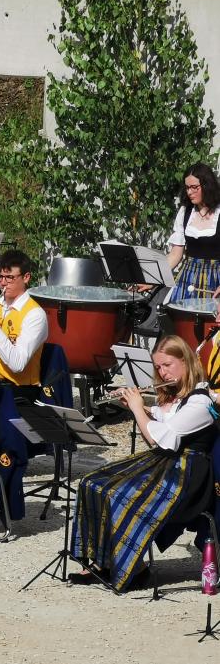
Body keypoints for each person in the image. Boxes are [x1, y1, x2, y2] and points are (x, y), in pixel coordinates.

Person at [69, 335, 217, 591]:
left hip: (188, 473)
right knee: (93, 483)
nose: (162, 372)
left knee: (120, 494)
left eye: (168, 365)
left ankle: (135, 570)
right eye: (158, 367)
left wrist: (138, 408)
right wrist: (134, 407)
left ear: (187, 361)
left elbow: (163, 439)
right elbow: (161, 421)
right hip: (169, 464)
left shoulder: (201, 401)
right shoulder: (177, 397)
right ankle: (101, 561)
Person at [0, 249, 48, 405]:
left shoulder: (35, 314)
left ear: (26, 277)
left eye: (10, 277)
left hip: (18, 390)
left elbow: (17, 364)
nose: (3, 283)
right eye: (0, 277)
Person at [165, 162, 220, 304]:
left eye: (194, 187)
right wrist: (153, 279)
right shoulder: (185, 212)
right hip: (187, 278)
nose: (189, 192)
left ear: (207, 185)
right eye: (187, 188)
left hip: (216, 279)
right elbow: (175, 255)